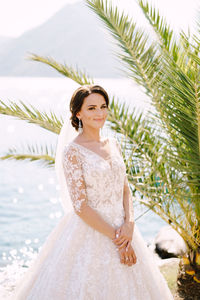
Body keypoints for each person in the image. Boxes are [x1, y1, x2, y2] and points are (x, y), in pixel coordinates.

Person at [7, 85, 174, 299]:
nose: (100, 113)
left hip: (125, 229)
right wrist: (119, 240)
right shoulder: (73, 152)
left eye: (103, 107)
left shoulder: (113, 144)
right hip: (92, 229)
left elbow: (124, 188)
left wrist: (129, 224)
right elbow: (81, 206)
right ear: (78, 113)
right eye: (92, 108)